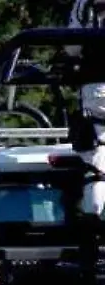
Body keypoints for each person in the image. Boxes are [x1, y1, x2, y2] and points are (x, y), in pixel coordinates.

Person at [67, 0, 105, 220]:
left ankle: (95, 221)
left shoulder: (85, 2)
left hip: (98, 86)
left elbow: (73, 45)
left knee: (97, 159)